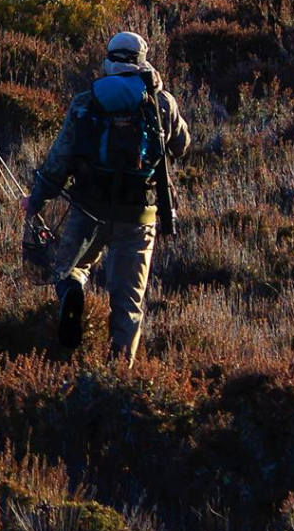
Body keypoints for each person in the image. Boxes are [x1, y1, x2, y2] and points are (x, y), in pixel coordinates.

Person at [22, 31, 190, 365]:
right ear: (142, 60)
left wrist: (37, 198)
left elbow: (60, 159)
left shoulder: (86, 102)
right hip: (139, 214)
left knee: (68, 269)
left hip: (88, 207)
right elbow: (182, 146)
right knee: (128, 303)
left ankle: (73, 293)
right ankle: (117, 374)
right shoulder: (162, 103)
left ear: (108, 60)